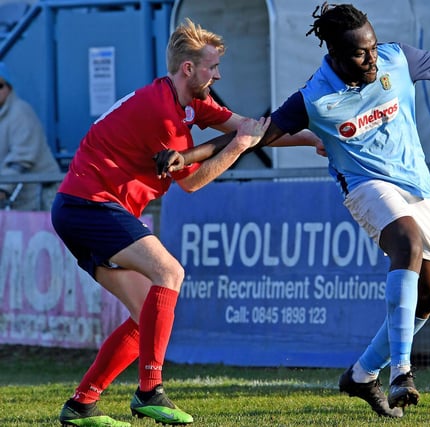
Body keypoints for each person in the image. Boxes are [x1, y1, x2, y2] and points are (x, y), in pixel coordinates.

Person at [155, 3, 430, 418]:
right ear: (333, 54)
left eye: (371, 47)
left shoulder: (396, 57)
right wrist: (186, 154)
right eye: (358, 53)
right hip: (366, 186)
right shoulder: (314, 97)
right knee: (406, 243)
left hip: (417, 187)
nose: (370, 58)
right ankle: (402, 372)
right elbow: (253, 134)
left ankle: (363, 373)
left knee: (429, 296)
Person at [52, 19, 319, 427]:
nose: (218, 74)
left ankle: (81, 404)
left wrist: (314, 139)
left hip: (86, 208)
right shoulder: (162, 112)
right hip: (89, 206)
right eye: (212, 67)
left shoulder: (189, 103)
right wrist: (240, 148)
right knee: (170, 272)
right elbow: (192, 181)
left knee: (147, 313)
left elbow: (252, 129)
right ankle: (149, 391)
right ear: (189, 69)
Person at [0, 62, 60, 210]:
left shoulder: (20, 113)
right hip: (18, 199)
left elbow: (22, 158)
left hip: (40, 196)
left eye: (0, 86)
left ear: (9, 87)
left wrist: (2, 188)